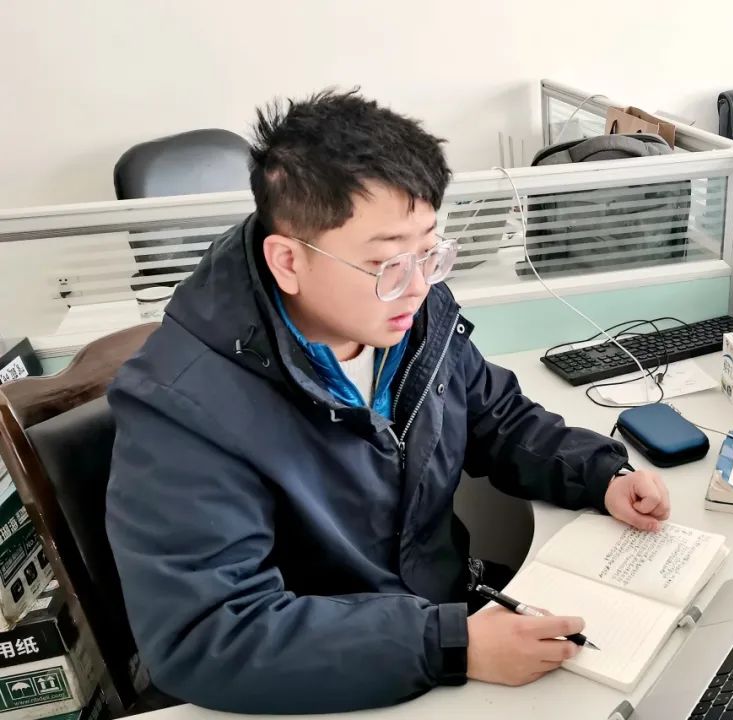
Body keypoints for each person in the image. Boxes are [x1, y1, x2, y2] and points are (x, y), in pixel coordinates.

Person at [105, 88, 671, 714]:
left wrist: (599, 474)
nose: (420, 284)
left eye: (430, 251)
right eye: (387, 262)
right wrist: (449, 646)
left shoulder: (410, 313)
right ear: (288, 261)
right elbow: (210, 635)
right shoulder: (181, 407)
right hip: (330, 681)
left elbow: (495, 418)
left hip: (441, 625)